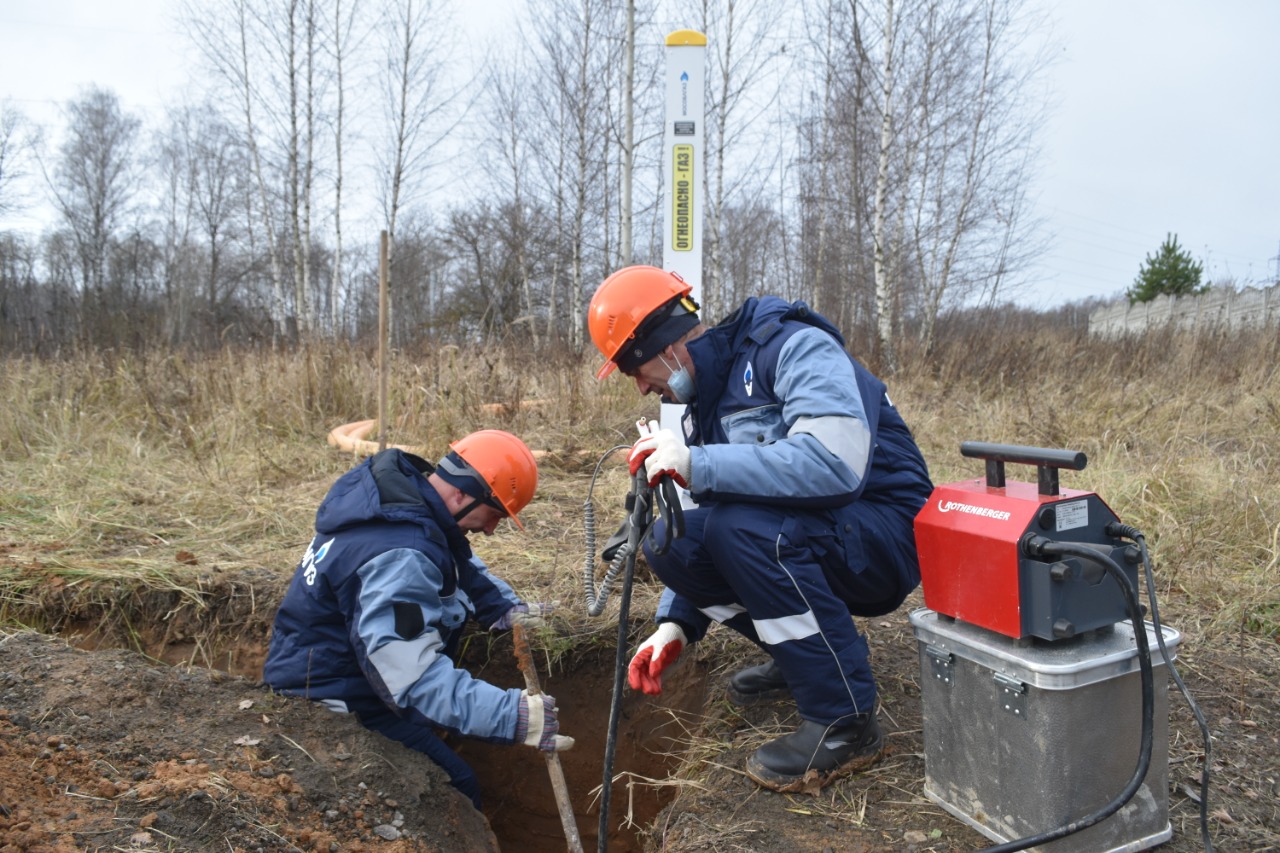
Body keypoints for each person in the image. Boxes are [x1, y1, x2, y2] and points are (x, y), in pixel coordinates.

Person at [587, 265, 933, 793]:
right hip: (823, 532)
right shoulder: (701, 398)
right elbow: (702, 520)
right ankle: (805, 660)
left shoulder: (795, 346)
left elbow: (834, 464)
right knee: (670, 542)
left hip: (885, 532)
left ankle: (846, 720)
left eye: (635, 368)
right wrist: (675, 623)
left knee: (742, 530)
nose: (638, 387)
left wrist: (700, 462)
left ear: (669, 347)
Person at [263, 430, 570, 809]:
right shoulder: (399, 555)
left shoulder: (398, 500)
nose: (490, 529)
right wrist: (512, 716)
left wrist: (501, 606)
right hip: (328, 698)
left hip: (333, 669)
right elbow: (411, 678)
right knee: (454, 791)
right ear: (463, 493)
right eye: (494, 515)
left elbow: (455, 556)